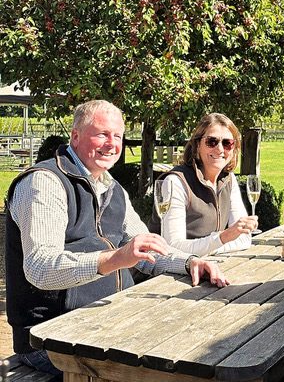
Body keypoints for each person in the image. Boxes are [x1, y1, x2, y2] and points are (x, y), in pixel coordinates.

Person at [5, 100, 229, 378]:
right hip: (52, 338)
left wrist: (189, 262)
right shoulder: (45, 182)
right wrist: (114, 259)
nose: (111, 144)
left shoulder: (112, 187)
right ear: (75, 136)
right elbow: (40, 267)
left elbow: (146, 251)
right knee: (172, 373)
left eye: (118, 136)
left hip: (109, 322)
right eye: (102, 134)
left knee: (203, 345)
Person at [157, 113, 258, 256]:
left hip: (210, 264)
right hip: (169, 269)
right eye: (212, 141)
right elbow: (173, 247)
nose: (220, 149)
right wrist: (223, 238)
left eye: (227, 143)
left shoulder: (229, 180)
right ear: (197, 145)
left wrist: (213, 246)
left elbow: (244, 239)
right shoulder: (176, 182)